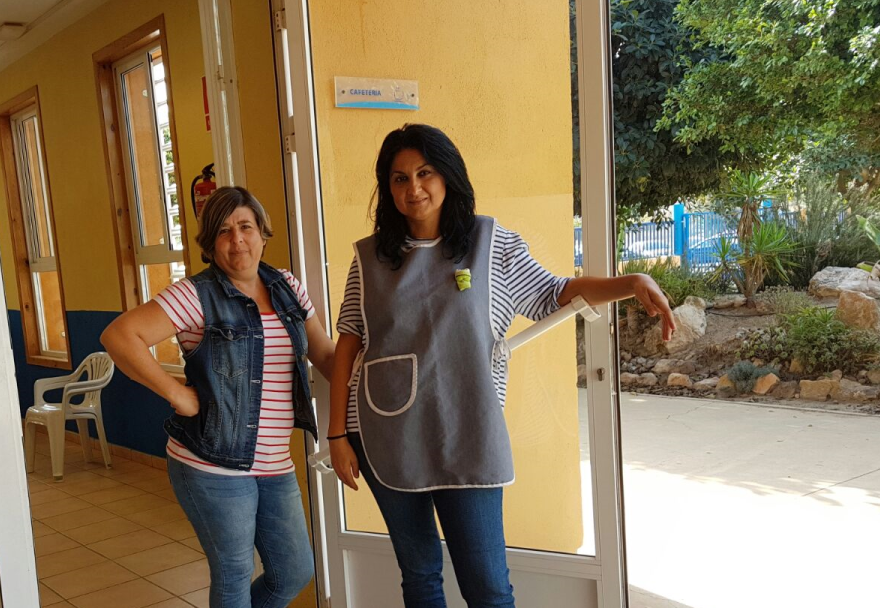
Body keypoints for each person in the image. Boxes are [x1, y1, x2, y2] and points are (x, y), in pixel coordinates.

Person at [325, 124, 675, 608]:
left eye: (425, 173)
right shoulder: (370, 259)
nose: (414, 188)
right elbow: (348, 344)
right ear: (387, 187)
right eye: (399, 178)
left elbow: (556, 292)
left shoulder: (491, 244)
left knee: (488, 587)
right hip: (386, 432)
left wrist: (630, 282)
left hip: (470, 431)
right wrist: (337, 435)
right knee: (419, 577)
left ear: (448, 176)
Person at [101, 186, 335, 608]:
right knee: (233, 573)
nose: (237, 239)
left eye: (246, 227)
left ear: (262, 233)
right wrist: (176, 393)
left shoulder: (287, 287)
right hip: (211, 462)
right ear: (210, 246)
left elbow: (325, 354)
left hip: (274, 462)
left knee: (294, 570)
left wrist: (378, 371)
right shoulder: (196, 294)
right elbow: (119, 336)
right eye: (224, 231)